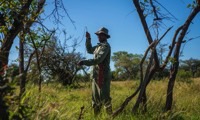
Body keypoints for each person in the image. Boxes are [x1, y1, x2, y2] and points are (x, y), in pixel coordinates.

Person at [78, 27, 112, 115]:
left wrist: (84, 62)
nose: (99, 36)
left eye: (101, 35)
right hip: (95, 75)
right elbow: (89, 50)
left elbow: (98, 60)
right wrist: (88, 39)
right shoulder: (98, 46)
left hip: (103, 76)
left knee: (105, 98)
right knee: (95, 99)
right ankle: (96, 117)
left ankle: (110, 117)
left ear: (105, 36)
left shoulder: (105, 46)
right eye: (98, 35)